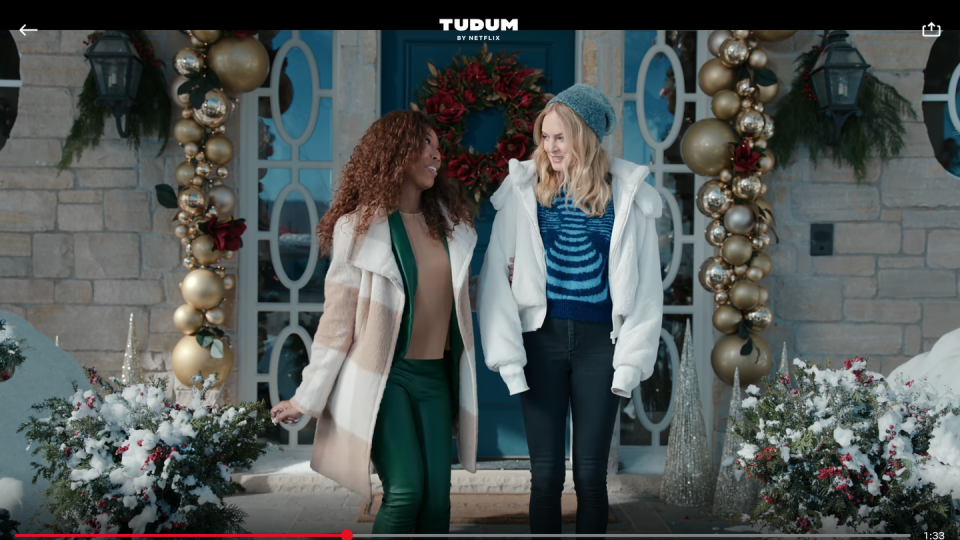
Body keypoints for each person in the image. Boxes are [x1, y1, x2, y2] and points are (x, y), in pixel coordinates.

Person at [271, 110, 479, 536]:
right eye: (426, 144)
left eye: (438, 146)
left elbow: (458, 298)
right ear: (397, 153)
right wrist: (306, 398)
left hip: (437, 377)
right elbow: (337, 321)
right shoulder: (359, 229)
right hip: (388, 379)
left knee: (438, 502)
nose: (437, 154)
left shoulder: (451, 226)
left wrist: (513, 284)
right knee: (405, 493)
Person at [476, 84, 663, 535]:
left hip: (601, 346)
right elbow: (495, 285)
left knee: (591, 478)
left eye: (561, 136)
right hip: (541, 342)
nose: (550, 146)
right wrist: (506, 357)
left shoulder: (627, 197)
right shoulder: (523, 192)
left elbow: (647, 290)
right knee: (545, 478)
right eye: (545, 136)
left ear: (585, 136)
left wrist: (631, 362)